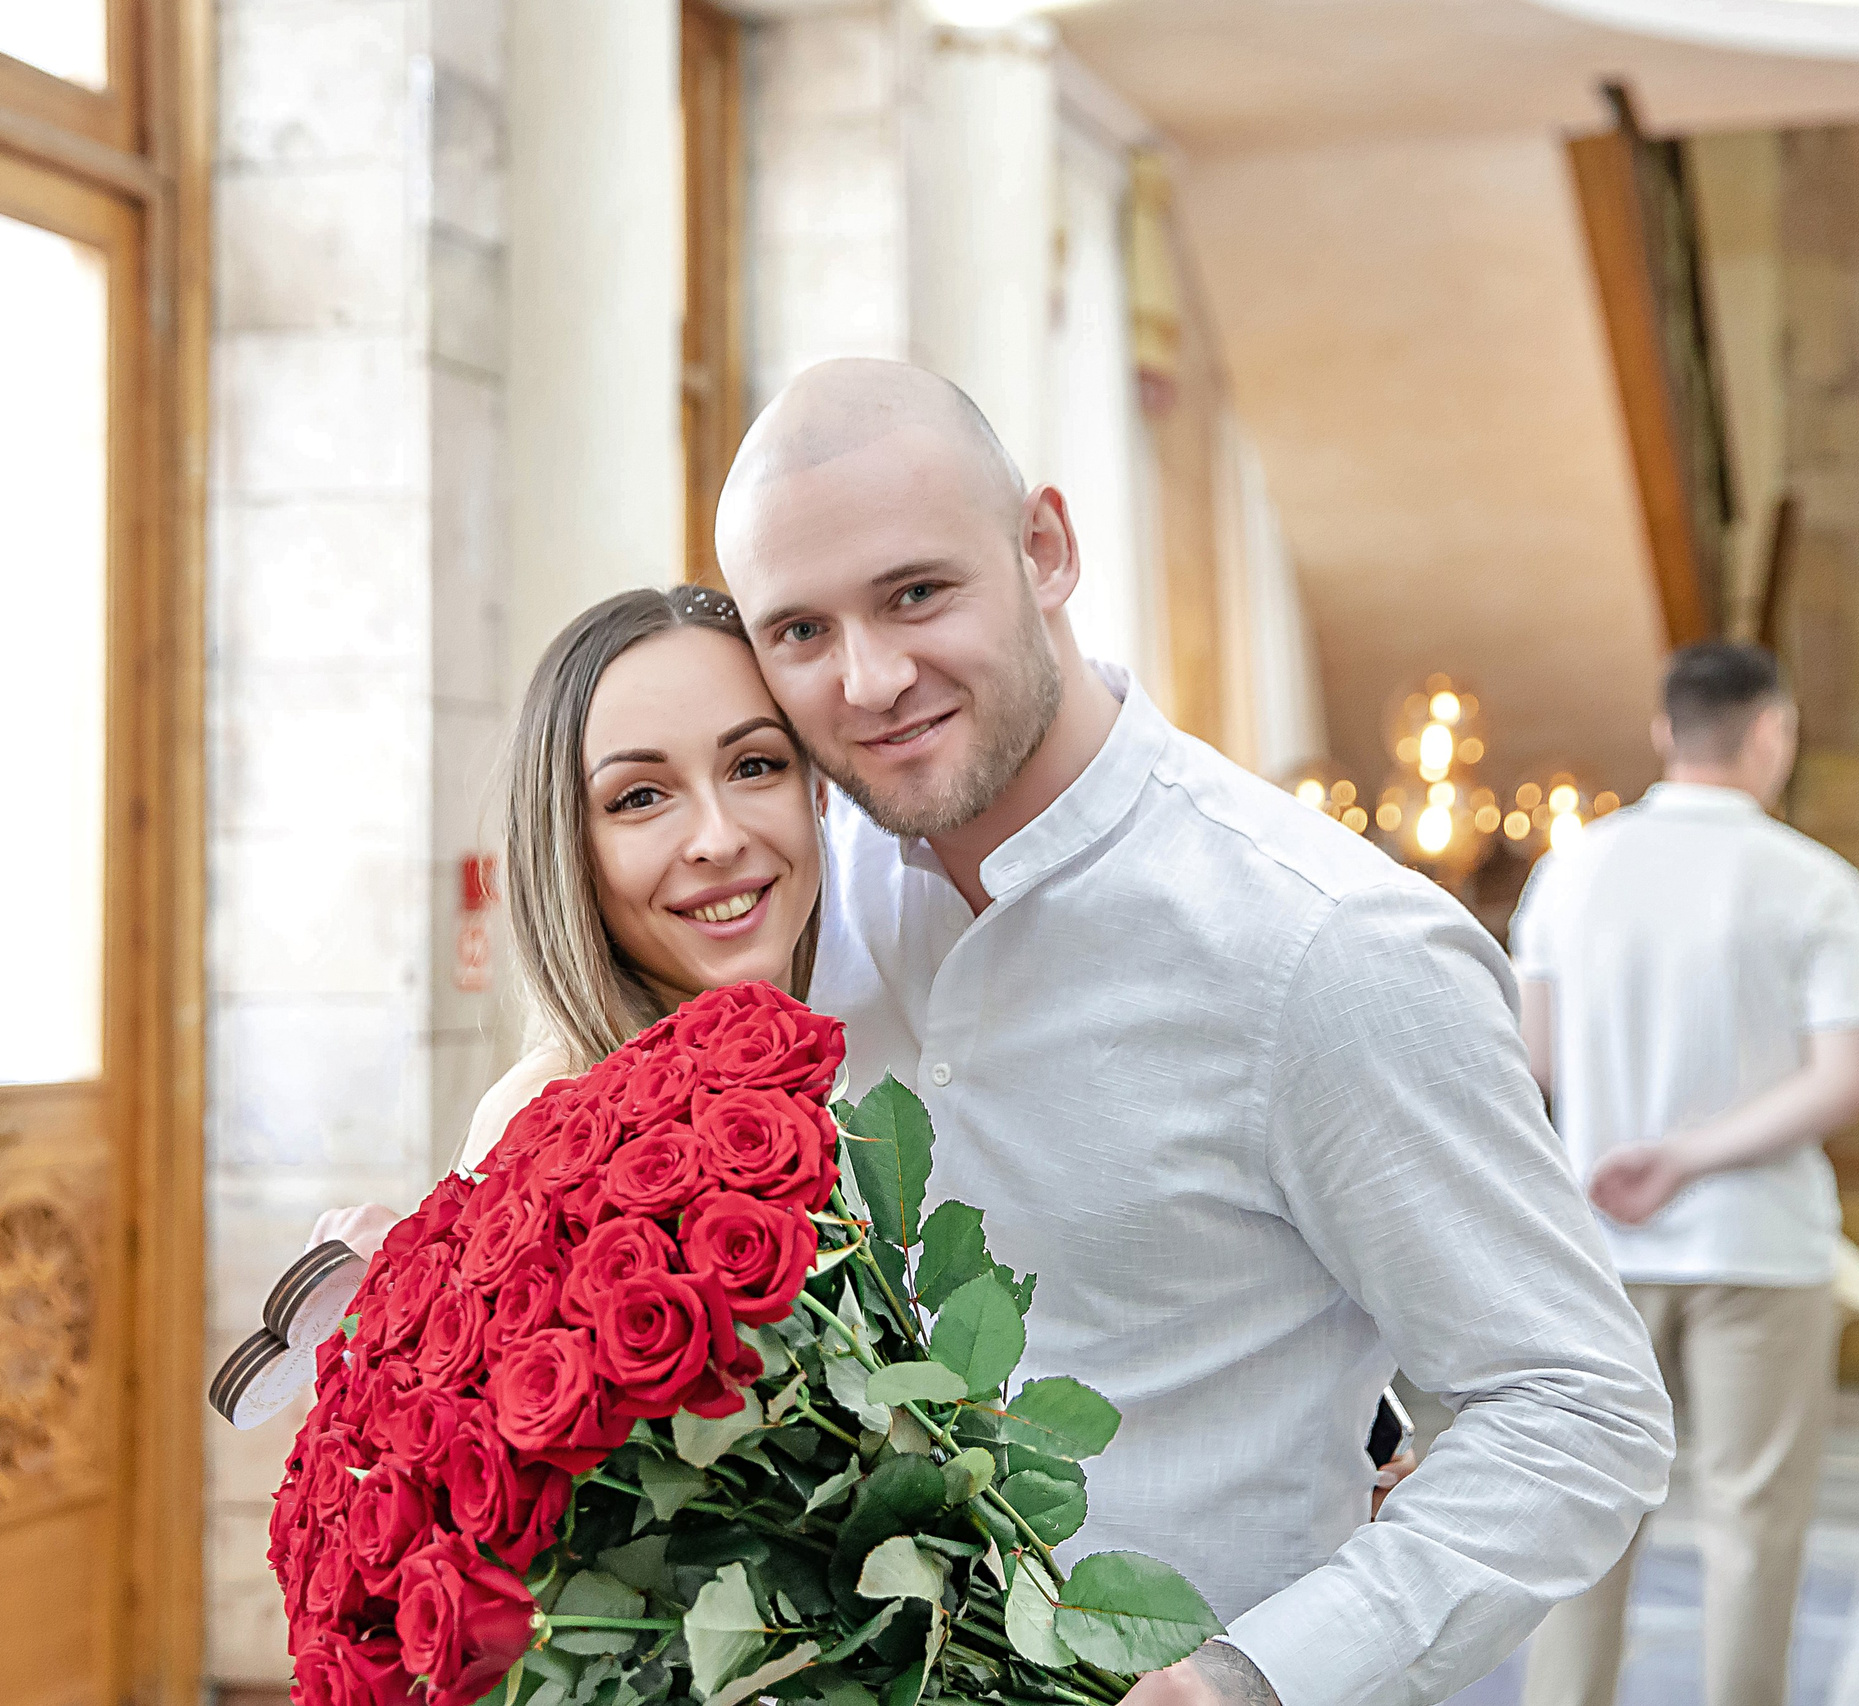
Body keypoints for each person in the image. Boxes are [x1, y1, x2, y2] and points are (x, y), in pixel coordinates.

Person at [709, 357, 1674, 1706]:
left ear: (1045, 548)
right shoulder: (790, 912)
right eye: (800, 632)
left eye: (917, 592)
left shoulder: (1325, 944)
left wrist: (1254, 1675)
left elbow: (1579, 1410)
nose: (869, 679)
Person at [1513, 643, 1859, 1706]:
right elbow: (1843, 1077)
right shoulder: (1815, 881)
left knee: (1586, 1519)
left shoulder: (1569, 867)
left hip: (1594, 1246)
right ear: (1772, 731)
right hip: (1757, 1244)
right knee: (1750, 1530)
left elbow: (1527, 1065)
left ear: (1663, 732)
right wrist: (1686, 1156)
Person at [310, 583, 827, 1257]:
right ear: (566, 853)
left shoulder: (859, 1037)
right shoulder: (546, 1122)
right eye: (640, 797)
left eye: (754, 765)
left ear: (818, 788)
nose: (719, 838)